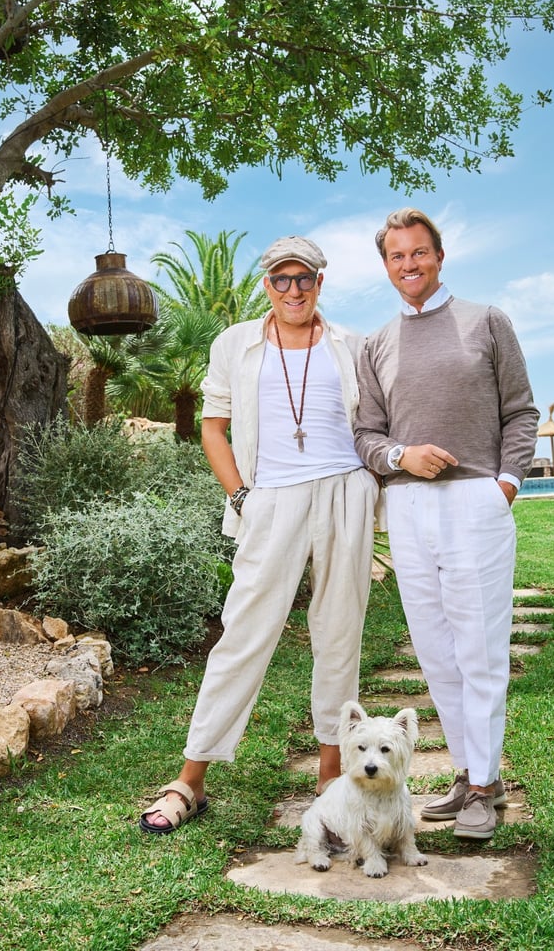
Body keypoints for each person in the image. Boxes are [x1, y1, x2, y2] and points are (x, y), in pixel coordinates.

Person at [140, 235, 380, 834]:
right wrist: (242, 496)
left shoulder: (353, 344)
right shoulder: (235, 344)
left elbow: (376, 424)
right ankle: (190, 780)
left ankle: (331, 779)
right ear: (267, 284)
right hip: (271, 498)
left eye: (304, 279)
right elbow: (213, 428)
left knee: (339, 634)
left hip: (346, 493)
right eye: (281, 279)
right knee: (243, 634)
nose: (293, 290)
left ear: (320, 283)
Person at [353, 207, 539, 840]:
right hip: (407, 507)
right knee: (435, 652)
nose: (409, 264)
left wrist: (505, 484)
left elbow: (521, 411)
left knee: (479, 649)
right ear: (386, 266)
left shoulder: (487, 321)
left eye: (419, 252)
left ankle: (485, 786)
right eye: (397, 256)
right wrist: (401, 457)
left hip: (475, 503)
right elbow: (367, 434)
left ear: (439, 255)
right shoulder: (377, 344)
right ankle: (468, 774)